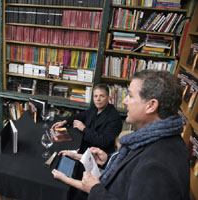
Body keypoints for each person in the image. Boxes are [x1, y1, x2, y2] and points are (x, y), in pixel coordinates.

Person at [75, 70, 189, 200]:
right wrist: (108, 161)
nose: (124, 101)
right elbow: (132, 175)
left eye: (130, 96)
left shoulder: (157, 167)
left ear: (151, 106)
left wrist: (95, 190)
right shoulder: (153, 139)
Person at [52, 84, 122, 154]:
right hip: (85, 144)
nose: (98, 99)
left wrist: (84, 128)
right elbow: (80, 116)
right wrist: (64, 122)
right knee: (57, 146)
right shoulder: (94, 108)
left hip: (97, 153)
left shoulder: (115, 118)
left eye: (102, 96)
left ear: (108, 98)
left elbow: (103, 141)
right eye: (95, 96)